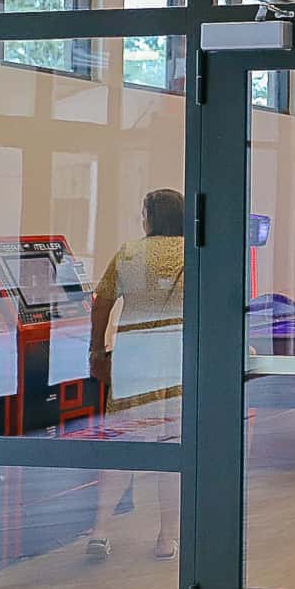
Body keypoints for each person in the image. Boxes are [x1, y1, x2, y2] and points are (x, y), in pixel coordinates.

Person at [85, 188, 185, 561]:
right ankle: (165, 538)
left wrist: (97, 349)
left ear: (151, 218)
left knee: (122, 444)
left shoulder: (129, 253)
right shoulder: (193, 253)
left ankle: (99, 530)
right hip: (177, 362)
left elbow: (102, 303)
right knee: (172, 448)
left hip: (133, 360)